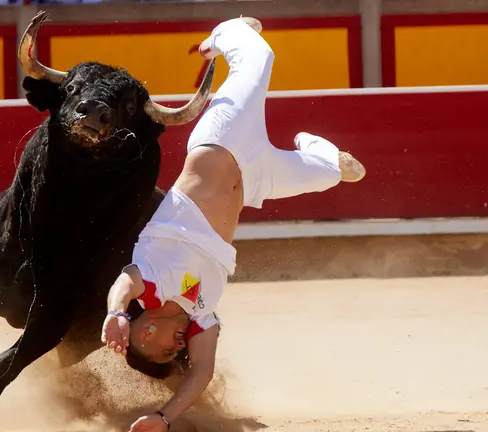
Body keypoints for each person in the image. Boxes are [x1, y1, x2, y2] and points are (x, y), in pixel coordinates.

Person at [100, 16, 366, 432]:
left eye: (169, 351)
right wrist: (163, 418)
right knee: (338, 174)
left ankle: (222, 34)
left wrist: (115, 313)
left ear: (146, 331)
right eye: (177, 353)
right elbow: (201, 375)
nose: (180, 348)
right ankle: (314, 148)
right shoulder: (200, 314)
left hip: (220, 142)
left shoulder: (151, 284)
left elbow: (124, 283)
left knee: (259, 54)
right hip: (254, 177)